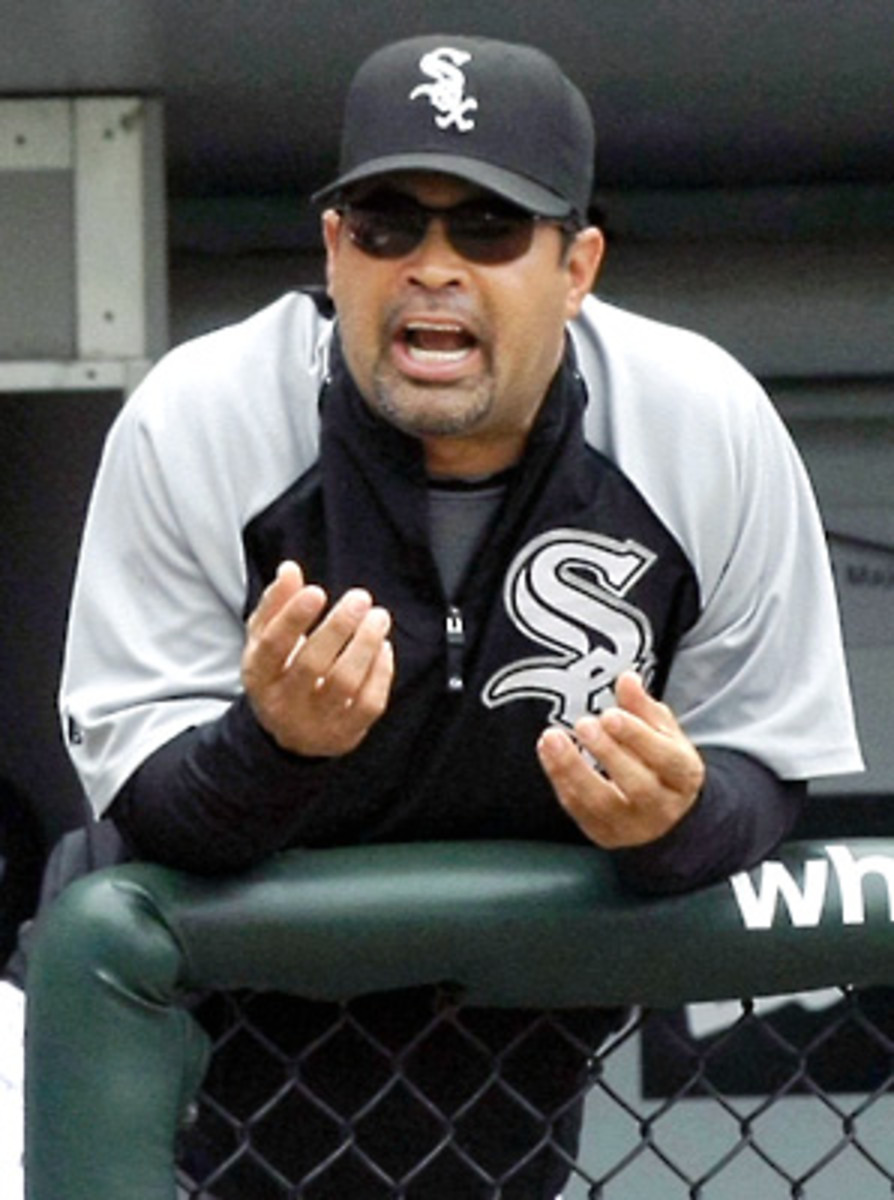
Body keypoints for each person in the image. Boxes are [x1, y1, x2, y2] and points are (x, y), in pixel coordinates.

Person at [56, 33, 862, 1200]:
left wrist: (677, 819)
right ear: (335, 249)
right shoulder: (201, 419)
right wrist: (272, 747)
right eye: (389, 225)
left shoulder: (700, 425)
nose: (433, 267)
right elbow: (141, 802)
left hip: (497, 1091)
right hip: (158, 1074)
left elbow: (767, 767)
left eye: (488, 230)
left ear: (577, 265)